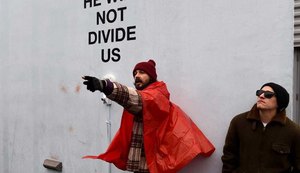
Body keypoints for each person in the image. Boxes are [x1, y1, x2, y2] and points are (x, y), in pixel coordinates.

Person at [82, 59, 215, 173]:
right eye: (135, 73)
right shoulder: (145, 95)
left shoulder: (156, 96)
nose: (137, 76)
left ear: (152, 76)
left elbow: (136, 98)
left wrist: (106, 86)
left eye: (142, 72)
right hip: (140, 165)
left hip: (152, 165)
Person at [222, 82, 300, 173]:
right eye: (259, 92)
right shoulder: (239, 122)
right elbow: (229, 157)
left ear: (279, 101)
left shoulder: (293, 130)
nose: (261, 96)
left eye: (268, 94)